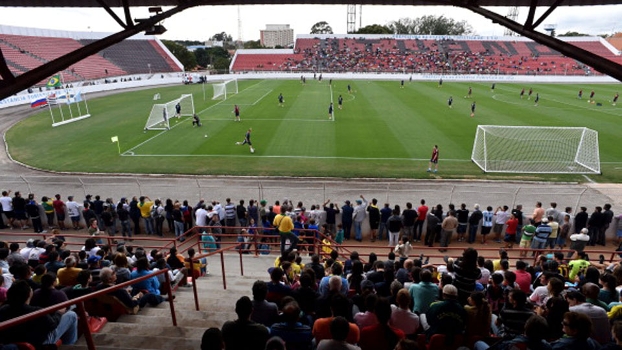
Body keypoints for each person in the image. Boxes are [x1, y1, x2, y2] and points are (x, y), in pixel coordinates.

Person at [0, 280, 78, 347]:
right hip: (39, 343)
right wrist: (58, 313)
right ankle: (69, 345)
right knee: (71, 314)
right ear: (28, 295)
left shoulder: (3, 309)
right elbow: (53, 325)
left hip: (11, 343)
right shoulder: (35, 311)